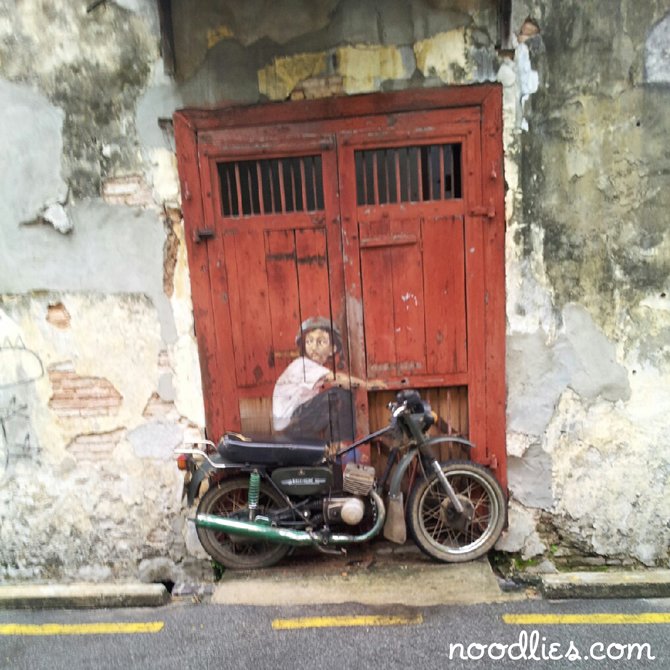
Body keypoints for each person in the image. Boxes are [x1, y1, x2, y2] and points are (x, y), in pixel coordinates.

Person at [272, 317, 355, 443]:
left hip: (293, 422)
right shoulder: (302, 364)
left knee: (332, 406)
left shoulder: (313, 368)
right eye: (309, 342)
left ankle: (333, 447)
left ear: (333, 349)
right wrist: (369, 384)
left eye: (320, 342)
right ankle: (344, 447)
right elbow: (339, 379)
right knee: (339, 395)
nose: (313, 347)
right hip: (290, 423)